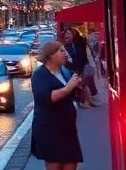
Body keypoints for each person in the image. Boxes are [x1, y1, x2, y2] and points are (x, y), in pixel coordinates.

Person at [31, 40, 84, 169]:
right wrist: (68, 88)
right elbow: (46, 98)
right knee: (55, 165)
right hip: (49, 129)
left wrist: (80, 87)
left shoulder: (65, 71)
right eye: (61, 51)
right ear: (50, 55)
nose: (65, 53)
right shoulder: (40, 75)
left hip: (68, 129)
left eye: (65, 50)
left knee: (71, 163)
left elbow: (75, 92)